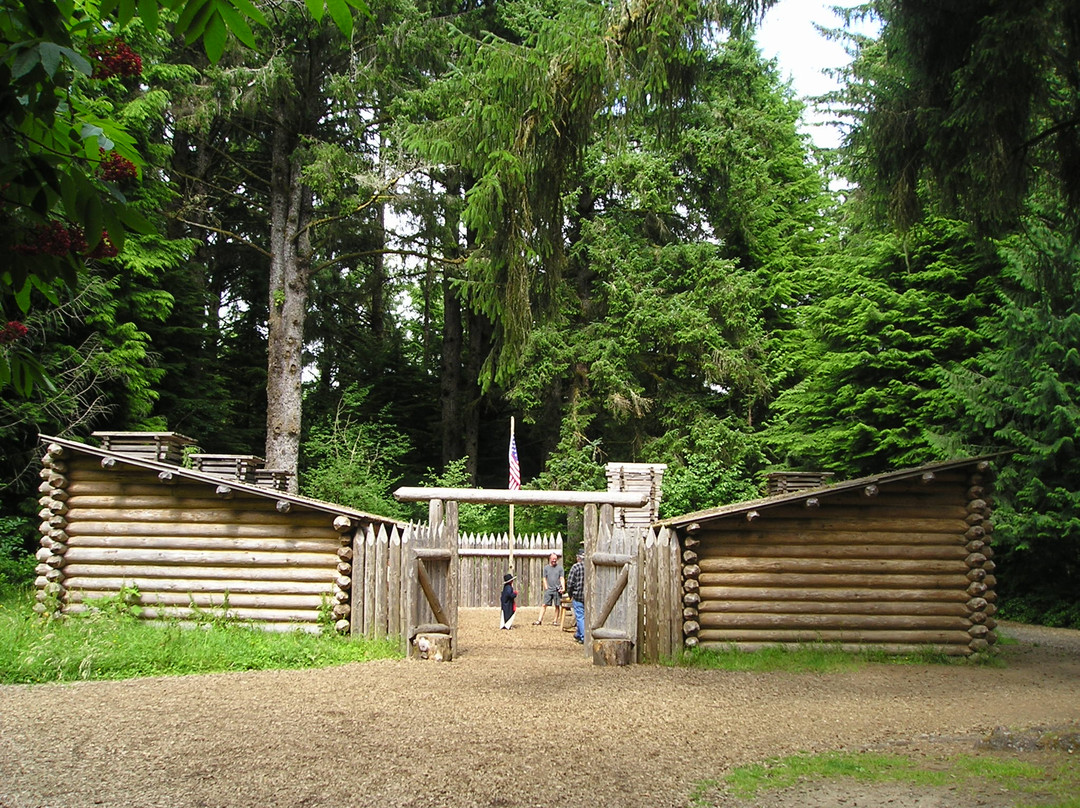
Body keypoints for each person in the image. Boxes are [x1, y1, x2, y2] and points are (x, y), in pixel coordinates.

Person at [532, 552, 564, 625]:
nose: (554, 561)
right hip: (549, 589)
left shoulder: (560, 568)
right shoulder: (546, 568)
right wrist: (546, 587)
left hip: (557, 589)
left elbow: (562, 578)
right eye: (553, 559)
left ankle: (555, 621)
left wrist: (563, 588)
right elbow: (544, 578)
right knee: (544, 604)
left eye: (555, 559)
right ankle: (539, 620)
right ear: (550, 559)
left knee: (557, 605)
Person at [566, 549, 585, 643]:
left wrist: (570, 594)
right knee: (585, 617)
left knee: (580, 617)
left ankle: (583, 637)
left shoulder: (575, 567)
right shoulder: (590, 566)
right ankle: (578, 634)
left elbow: (570, 583)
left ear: (578, 558)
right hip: (589, 597)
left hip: (578, 596)